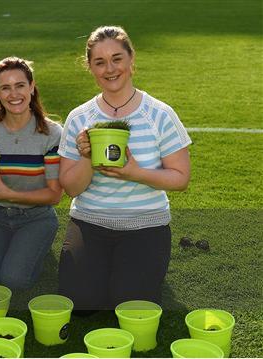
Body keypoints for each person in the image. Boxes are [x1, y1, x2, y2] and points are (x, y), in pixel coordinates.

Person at [58, 26, 191, 313]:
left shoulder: (159, 114)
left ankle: (134, 273)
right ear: (90, 67)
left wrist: (135, 173)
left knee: (130, 306)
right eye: (100, 62)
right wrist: (85, 156)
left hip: (146, 225)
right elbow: (71, 189)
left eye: (117, 58)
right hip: (90, 222)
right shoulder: (79, 117)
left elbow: (181, 178)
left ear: (131, 60)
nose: (110, 69)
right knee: (81, 304)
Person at [0, 57, 63, 290]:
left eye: (20, 85)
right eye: (5, 88)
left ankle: (33, 246)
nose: (14, 94)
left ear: (31, 86)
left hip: (37, 217)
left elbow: (54, 196)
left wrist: (8, 194)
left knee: (14, 279)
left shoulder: (52, 133)